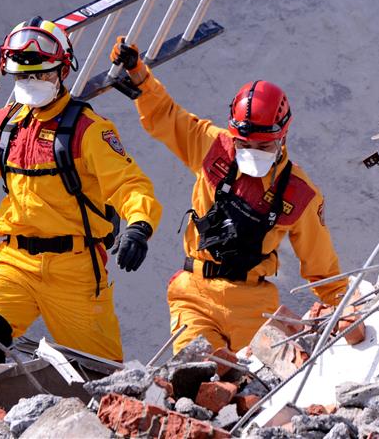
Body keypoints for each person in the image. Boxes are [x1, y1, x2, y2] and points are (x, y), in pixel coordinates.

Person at [0, 18, 162, 373]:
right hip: (14, 263)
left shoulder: (88, 130)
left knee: (100, 375)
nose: (30, 83)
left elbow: (129, 184)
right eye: (22, 76)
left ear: (62, 72)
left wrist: (139, 226)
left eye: (39, 74)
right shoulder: (6, 125)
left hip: (75, 269)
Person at [110, 39, 349, 353]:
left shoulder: (300, 194)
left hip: (254, 306)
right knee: (196, 373)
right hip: (193, 293)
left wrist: (348, 312)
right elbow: (166, 116)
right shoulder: (213, 147)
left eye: (262, 147)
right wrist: (139, 74)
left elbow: (322, 267)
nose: (250, 152)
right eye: (242, 143)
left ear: (283, 134)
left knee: (259, 385)